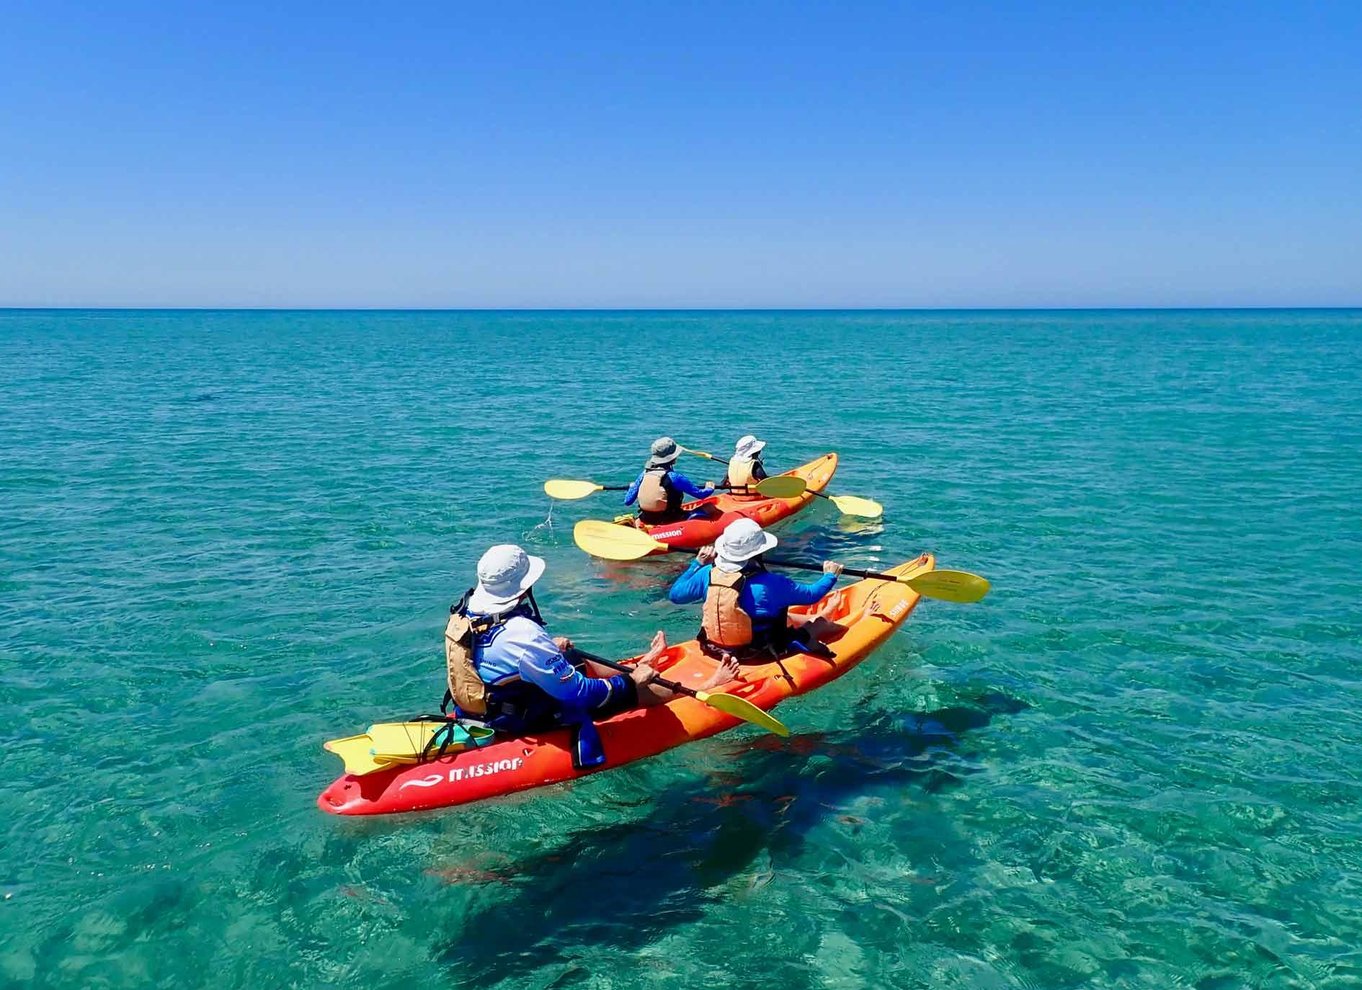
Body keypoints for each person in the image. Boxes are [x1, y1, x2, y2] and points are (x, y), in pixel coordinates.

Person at [444, 544, 737, 768]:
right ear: (524, 585)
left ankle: (642, 663)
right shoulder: (523, 635)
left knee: (572, 657)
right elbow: (580, 694)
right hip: (522, 716)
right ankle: (706, 686)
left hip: (489, 700)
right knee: (634, 687)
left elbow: (500, 654)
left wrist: (545, 651)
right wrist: (631, 682)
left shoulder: (468, 610)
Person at [668, 518, 851, 659]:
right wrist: (830, 575)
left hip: (713, 647)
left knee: (784, 617)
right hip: (758, 652)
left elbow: (675, 596)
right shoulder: (771, 583)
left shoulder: (707, 573)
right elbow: (812, 594)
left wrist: (697, 563)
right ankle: (824, 625)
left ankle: (822, 619)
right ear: (759, 551)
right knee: (815, 629)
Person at [624, 436, 716, 524]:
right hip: (670, 519)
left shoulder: (643, 474)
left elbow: (628, 501)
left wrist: (632, 487)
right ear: (673, 458)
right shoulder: (675, 477)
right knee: (710, 507)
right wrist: (710, 488)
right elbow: (701, 494)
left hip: (645, 518)